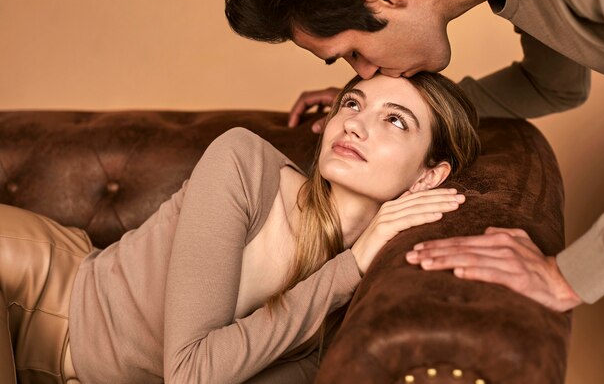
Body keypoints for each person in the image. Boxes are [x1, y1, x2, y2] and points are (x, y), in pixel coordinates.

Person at [224, 0, 604, 312]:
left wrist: (569, 277)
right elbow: (554, 86)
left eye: (353, 52)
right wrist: (396, 110)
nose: (364, 73)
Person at [0, 72, 480, 384]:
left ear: (428, 176)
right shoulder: (243, 162)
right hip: (37, 286)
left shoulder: (366, 286)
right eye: (352, 104)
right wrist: (348, 268)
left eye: (395, 120)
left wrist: (350, 270)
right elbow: (191, 374)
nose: (355, 125)